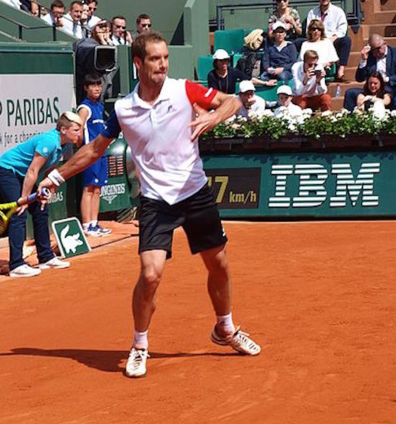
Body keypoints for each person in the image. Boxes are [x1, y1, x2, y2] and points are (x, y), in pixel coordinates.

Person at [38, 31, 262, 379]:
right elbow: (94, 150)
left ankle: (225, 329)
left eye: (166, 58)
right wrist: (55, 178)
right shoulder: (124, 109)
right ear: (139, 63)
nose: (162, 65)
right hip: (157, 200)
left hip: (195, 191)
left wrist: (212, 118)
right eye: (155, 59)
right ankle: (140, 345)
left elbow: (231, 101)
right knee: (150, 274)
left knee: (218, 264)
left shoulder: (184, 89)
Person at [0, 112, 82, 278]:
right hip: (7, 170)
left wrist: (48, 189)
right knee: (19, 214)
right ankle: (16, 265)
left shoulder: (66, 145)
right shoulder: (49, 142)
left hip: (23, 174)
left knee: (41, 209)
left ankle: (46, 257)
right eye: (76, 130)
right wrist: (25, 199)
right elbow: (32, 170)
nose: (79, 133)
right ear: (63, 129)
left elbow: (49, 170)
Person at [76, 74, 112, 237]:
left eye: (99, 85)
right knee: (88, 188)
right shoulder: (85, 108)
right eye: (93, 85)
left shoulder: (99, 107)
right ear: (86, 88)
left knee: (97, 189)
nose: (97, 88)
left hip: (101, 154)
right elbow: (78, 130)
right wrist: (82, 149)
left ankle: (94, 223)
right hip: (90, 155)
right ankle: (86, 225)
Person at [344, 33, 396, 110]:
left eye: (378, 49)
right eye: (373, 50)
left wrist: (387, 79)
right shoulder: (370, 56)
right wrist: (363, 60)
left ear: (384, 44)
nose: (375, 53)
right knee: (350, 93)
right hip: (372, 89)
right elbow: (359, 79)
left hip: (390, 88)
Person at [305, 0, 351, 81]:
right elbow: (308, 30)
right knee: (298, 42)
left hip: (332, 40)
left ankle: (340, 71)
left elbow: (342, 29)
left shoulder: (338, 12)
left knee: (346, 40)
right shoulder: (312, 13)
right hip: (316, 40)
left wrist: (333, 38)